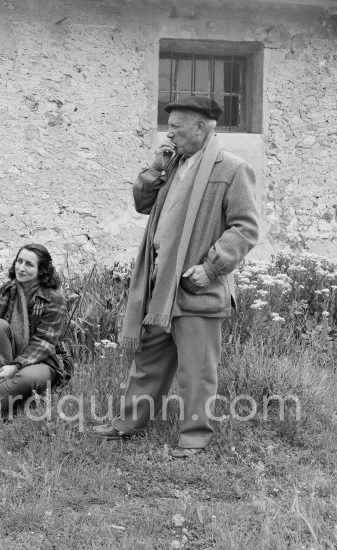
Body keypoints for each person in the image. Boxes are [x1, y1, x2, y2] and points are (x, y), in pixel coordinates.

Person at [93, 96, 259, 458]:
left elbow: (245, 228)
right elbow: (141, 203)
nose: (169, 134)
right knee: (149, 359)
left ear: (201, 128)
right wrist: (155, 166)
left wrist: (211, 268)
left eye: (176, 128)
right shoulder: (172, 164)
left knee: (197, 368)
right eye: (168, 128)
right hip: (160, 282)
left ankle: (195, 436)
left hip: (195, 285)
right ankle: (129, 424)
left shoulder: (231, 169)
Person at [0, 244, 70, 418]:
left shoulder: (54, 299)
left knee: (25, 378)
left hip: (41, 361)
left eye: (29, 264)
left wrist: (16, 366)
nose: (21, 268)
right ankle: (12, 393)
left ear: (42, 270)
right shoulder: (2, 291)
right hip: (6, 356)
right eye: (19, 261)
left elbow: (44, 342)